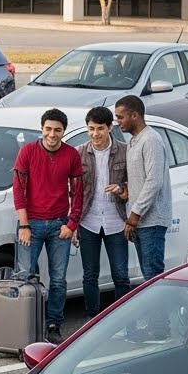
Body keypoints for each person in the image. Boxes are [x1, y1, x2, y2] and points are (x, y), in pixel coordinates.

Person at [12, 108, 84, 344]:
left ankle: (53, 324)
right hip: (30, 224)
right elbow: (19, 192)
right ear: (41, 129)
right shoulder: (27, 151)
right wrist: (24, 225)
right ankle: (22, 327)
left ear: (64, 131)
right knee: (24, 276)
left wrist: (72, 224)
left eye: (57, 130)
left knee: (59, 279)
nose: (52, 134)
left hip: (59, 225)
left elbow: (78, 192)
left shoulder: (72, 155)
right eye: (48, 129)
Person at [115, 94, 174, 340]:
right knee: (147, 275)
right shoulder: (133, 142)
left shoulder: (151, 140)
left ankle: (160, 328)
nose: (118, 121)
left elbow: (154, 182)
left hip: (151, 220)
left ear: (135, 115)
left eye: (121, 116)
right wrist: (128, 194)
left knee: (153, 275)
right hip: (139, 219)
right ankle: (155, 325)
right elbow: (140, 181)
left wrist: (134, 215)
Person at [75, 106, 131, 318]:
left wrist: (122, 190)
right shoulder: (80, 153)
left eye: (100, 128)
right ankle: (92, 320)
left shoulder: (125, 151)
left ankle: (121, 321)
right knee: (90, 275)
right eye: (91, 129)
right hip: (88, 220)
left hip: (116, 220)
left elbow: (133, 186)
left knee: (121, 275)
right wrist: (73, 223)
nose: (95, 134)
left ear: (110, 127)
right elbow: (74, 191)